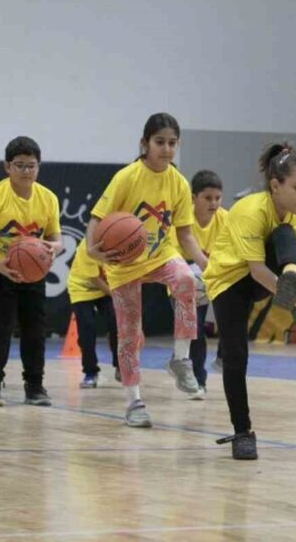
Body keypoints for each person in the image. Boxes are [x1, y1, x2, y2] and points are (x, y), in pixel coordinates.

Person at [203, 142, 296, 460]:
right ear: (275, 185)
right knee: (236, 355)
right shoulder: (250, 209)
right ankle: (243, 431)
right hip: (229, 281)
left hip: (270, 278)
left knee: (288, 231)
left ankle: (289, 275)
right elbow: (256, 270)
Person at [85, 113, 207, 428]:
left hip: (160, 254)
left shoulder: (179, 183)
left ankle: (180, 360)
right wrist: (90, 248)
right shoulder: (127, 177)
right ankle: (134, 402)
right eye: (160, 142)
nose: (166, 149)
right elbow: (98, 218)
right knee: (128, 335)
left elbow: (185, 235)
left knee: (185, 279)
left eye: (172, 143)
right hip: (124, 263)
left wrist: (209, 266)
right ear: (144, 143)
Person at [0, 136, 63, 407]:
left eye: (31, 166)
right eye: (19, 165)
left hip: (33, 272)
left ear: (39, 166)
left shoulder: (48, 199)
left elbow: (56, 238)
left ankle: (34, 386)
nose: (25, 171)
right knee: (1, 326)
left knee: (35, 329)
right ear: (7, 166)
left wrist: (53, 248)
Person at [179, 169, 228, 399]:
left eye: (218, 198)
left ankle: (222, 356)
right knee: (195, 331)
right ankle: (199, 380)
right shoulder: (182, 218)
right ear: (193, 198)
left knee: (232, 319)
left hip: (216, 277)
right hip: (185, 281)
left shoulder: (226, 220)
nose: (214, 203)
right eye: (208, 198)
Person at [67, 238, 118, 388]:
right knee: (87, 329)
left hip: (106, 288)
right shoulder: (88, 246)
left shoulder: (122, 240)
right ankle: (90, 372)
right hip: (81, 288)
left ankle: (120, 365)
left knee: (117, 323)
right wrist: (118, 296)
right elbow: (94, 278)